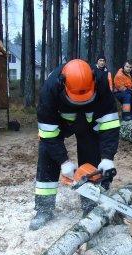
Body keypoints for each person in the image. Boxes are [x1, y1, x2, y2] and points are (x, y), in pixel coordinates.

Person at [30, 59, 120, 230]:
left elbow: (109, 124)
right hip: (60, 123)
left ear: (93, 80)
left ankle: (89, 205)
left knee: (90, 158)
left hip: (89, 124)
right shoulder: (50, 89)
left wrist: (108, 157)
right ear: (63, 84)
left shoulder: (101, 81)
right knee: (47, 154)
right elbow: (48, 133)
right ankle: (44, 208)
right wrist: (63, 161)